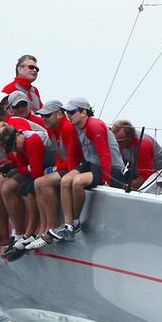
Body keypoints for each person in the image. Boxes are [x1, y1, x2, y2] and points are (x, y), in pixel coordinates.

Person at [49, 97, 124, 242]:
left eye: (71, 112)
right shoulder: (78, 127)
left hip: (110, 167)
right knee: (66, 180)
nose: (68, 116)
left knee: (77, 182)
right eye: (66, 113)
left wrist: (107, 180)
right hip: (91, 163)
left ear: (83, 112)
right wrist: (72, 170)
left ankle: (75, 222)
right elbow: (72, 152)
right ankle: (68, 225)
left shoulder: (94, 125)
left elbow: (105, 154)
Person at [0, 104, 45, 252]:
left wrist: (23, 168)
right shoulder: (4, 129)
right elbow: (18, 156)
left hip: (40, 161)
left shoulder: (15, 126)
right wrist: (13, 166)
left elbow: (29, 157)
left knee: (6, 185)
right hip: (26, 161)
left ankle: (21, 233)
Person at [0, 122, 56, 261]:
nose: (16, 149)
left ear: (18, 134)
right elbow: (22, 168)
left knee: (33, 187)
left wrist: (27, 168)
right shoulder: (20, 145)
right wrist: (26, 167)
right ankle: (25, 233)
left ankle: (37, 230)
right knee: (23, 188)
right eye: (13, 148)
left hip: (54, 166)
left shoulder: (32, 140)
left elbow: (35, 172)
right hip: (43, 166)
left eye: (15, 144)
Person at [29, 100, 83, 249]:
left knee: (43, 182)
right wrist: (55, 168)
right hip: (65, 166)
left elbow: (73, 156)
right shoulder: (52, 129)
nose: (44, 119)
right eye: (42, 115)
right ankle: (44, 229)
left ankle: (50, 229)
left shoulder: (67, 128)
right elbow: (60, 154)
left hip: (76, 166)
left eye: (48, 115)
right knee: (38, 182)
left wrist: (60, 170)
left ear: (59, 114)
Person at [111, 119, 162, 189]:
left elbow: (147, 175)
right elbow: (119, 166)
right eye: (114, 141)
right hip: (137, 170)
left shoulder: (142, 144)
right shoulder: (117, 143)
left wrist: (126, 187)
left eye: (120, 142)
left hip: (159, 173)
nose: (116, 144)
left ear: (130, 138)